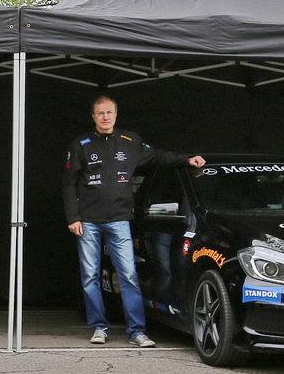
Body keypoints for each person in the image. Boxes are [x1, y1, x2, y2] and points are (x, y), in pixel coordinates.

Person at [63, 95, 206, 347]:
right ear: (93, 116)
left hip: (119, 220)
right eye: (100, 113)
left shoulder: (130, 141)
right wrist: (73, 217)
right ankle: (99, 327)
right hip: (88, 221)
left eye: (109, 112)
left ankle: (137, 331)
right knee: (89, 276)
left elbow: (160, 157)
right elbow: (69, 183)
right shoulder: (80, 144)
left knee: (128, 274)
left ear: (116, 114)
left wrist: (186, 160)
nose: (105, 117)